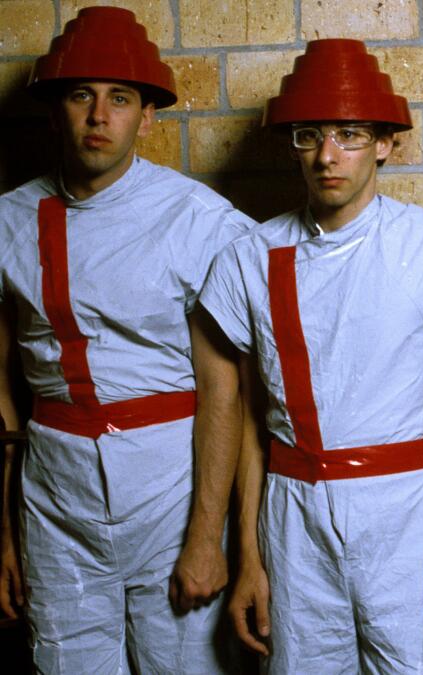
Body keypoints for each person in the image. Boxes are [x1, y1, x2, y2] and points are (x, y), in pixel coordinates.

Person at [200, 39, 423, 673]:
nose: (327, 155)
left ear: (385, 144)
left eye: (349, 134)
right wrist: (249, 556)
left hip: (404, 505)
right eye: (308, 136)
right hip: (293, 509)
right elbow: (247, 417)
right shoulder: (251, 257)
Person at [0, 6, 253, 672]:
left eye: (119, 98)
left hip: (168, 483)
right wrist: (6, 531)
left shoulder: (198, 221)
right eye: (81, 95)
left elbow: (223, 389)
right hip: (55, 491)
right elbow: (3, 389)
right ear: (56, 109)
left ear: (148, 115)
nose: (98, 116)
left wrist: (206, 534)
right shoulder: (10, 218)